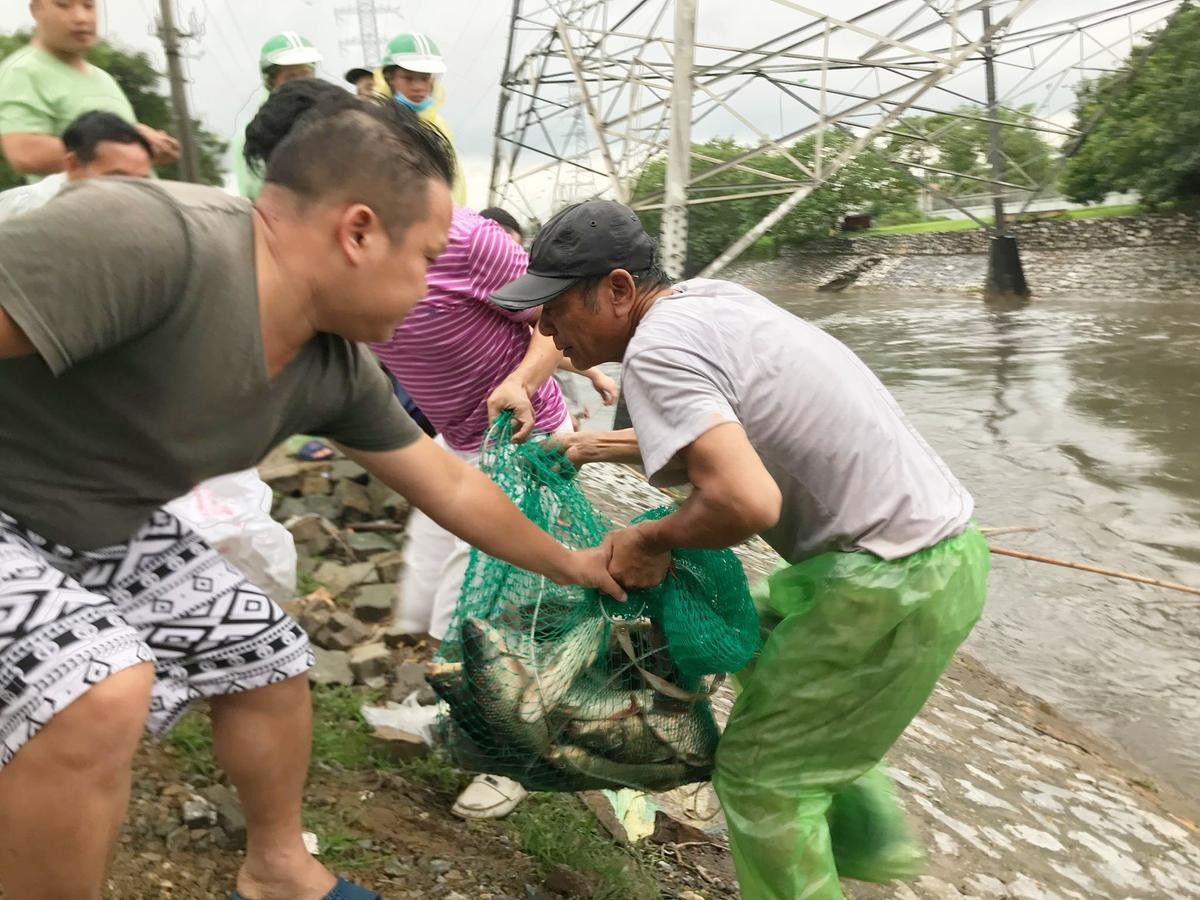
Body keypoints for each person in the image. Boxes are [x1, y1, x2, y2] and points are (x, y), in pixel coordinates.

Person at [0, 87, 622, 900]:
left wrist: (581, 564)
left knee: (263, 652)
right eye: (428, 259)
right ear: (358, 231)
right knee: (94, 686)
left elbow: (452, 490)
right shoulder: (151, 240)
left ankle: (277, 869)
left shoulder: (331, 368)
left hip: (92, 525)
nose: (432, 287)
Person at [491, 200, 990, 900]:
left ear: (618, 290)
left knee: (762, 779)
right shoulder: (706, 303)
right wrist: (596, 444)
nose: (542, 329)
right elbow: (733, 435)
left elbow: (745, 501)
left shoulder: (657, 352)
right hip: (933, 555)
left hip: (887, 581)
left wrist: (650, 537)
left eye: (552, 308)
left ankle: (824, 835)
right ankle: (868, 839)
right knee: (746, 633)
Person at [0, 0, 177, 180]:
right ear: (36, 10)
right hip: (83, 206)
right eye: (63, 5)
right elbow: (25, 154)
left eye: (88, 6)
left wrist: (152, 146)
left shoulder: (105, 79)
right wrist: (136, 144)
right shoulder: (22, 71)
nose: (81, 18)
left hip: (141, 201)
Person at [478, 205, 619, 427]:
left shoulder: (523, 302)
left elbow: (550, 342)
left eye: (516, 253)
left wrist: (593, 376)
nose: (512, 267)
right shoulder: (487, 304)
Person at [0, 109, 152, 221]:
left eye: (141, 181)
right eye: (118, 177)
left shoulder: (145, 214)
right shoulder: (28, 213)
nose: (133, 190)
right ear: (72, 164)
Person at [232, 32, 324, 200]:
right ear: (270, 81)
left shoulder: (334, 121)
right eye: (291, 76)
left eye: (305, 73)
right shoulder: (251, 139)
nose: (301, 83)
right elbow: (255, 197)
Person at [380, 30, 467, 205]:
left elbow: (454, 180)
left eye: (425, 78)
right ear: (390, 79)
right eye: (409, 78)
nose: (419, 87)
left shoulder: (438, 124)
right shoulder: (378, 123)